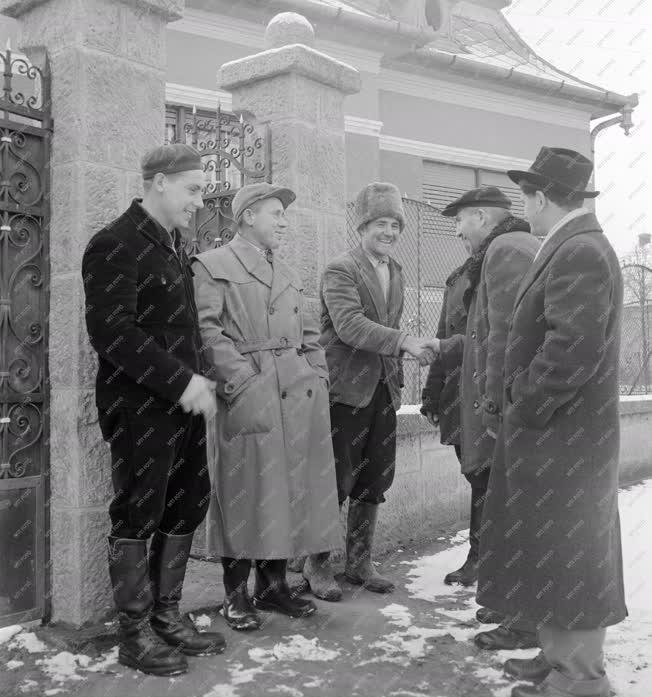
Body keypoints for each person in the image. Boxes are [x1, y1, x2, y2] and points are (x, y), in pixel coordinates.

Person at [477, 147, 627, 697]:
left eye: (527, 197)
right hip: (562, 436)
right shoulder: (574, 244)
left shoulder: (579, 250)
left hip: (566, 437)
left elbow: (572, 349)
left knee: (574, 555)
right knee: (555, 550)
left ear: (540, 197)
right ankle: (556, 658)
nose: (525, 207)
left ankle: (580, 683)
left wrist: (523, 403)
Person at [82, 144, 225, 676]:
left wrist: (201, 380)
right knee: (140, 510)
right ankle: (134, 633)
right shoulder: (114, 244)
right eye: (192, 189)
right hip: (141, 408)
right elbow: (112, 333)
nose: (198, 201)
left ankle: (167, 616)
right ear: (160, 182)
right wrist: (181, 381)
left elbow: (179, 329)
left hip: (184, 405)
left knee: (187, 504)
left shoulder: (171, 246)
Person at [191, 183, 341, 630]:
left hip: (298, 396)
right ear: (248, 215)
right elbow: (206, 332)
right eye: (275, 212)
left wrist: (318, 375)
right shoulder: (212, 266)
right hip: (248, 396)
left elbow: (311, 335)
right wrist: (242, 382)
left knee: (289, 492)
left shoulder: (290, 273)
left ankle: (274, 588)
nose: (282, 221)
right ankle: (235, 595)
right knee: (244, 493)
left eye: (283, 214)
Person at [301, 182, 437, 601]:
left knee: (375, 477)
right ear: (363, 225)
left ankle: (359, 562)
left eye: (395, 224)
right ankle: (316, 564)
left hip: (382, 392)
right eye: (381, 223)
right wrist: (406, 341)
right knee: (336, 481)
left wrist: (398, 367)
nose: (390, 232)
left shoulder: (394, 271)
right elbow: (349, 326)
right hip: (344, 392)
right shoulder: (340, 269)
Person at [431, 187, 541, 650]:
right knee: (499, 499)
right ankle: (509, 598)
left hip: (505, 408)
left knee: (510, 503)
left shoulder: (505, 250)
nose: (456, 230)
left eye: (460, 220)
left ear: (480, 216)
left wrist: (495, 407)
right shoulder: (496, 253)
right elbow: (480, 333)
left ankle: (522, 611)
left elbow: (511, 337)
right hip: (499, 403)